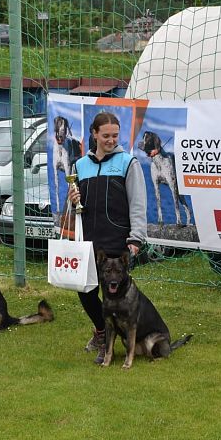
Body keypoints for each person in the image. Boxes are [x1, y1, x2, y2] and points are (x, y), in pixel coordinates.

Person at [68, 112, 147, 364]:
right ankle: (101, 332)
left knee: (113, 295)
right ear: (94, 135)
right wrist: (73, 201)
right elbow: (74, 207)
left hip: (117, 240)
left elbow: (137, 203)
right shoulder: (80, 166)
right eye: (106, 136)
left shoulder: (128, 162)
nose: (111, 140)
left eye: (115, 135)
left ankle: (115, 343)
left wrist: (136, 238)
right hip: (89, 241)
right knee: (85, 289)